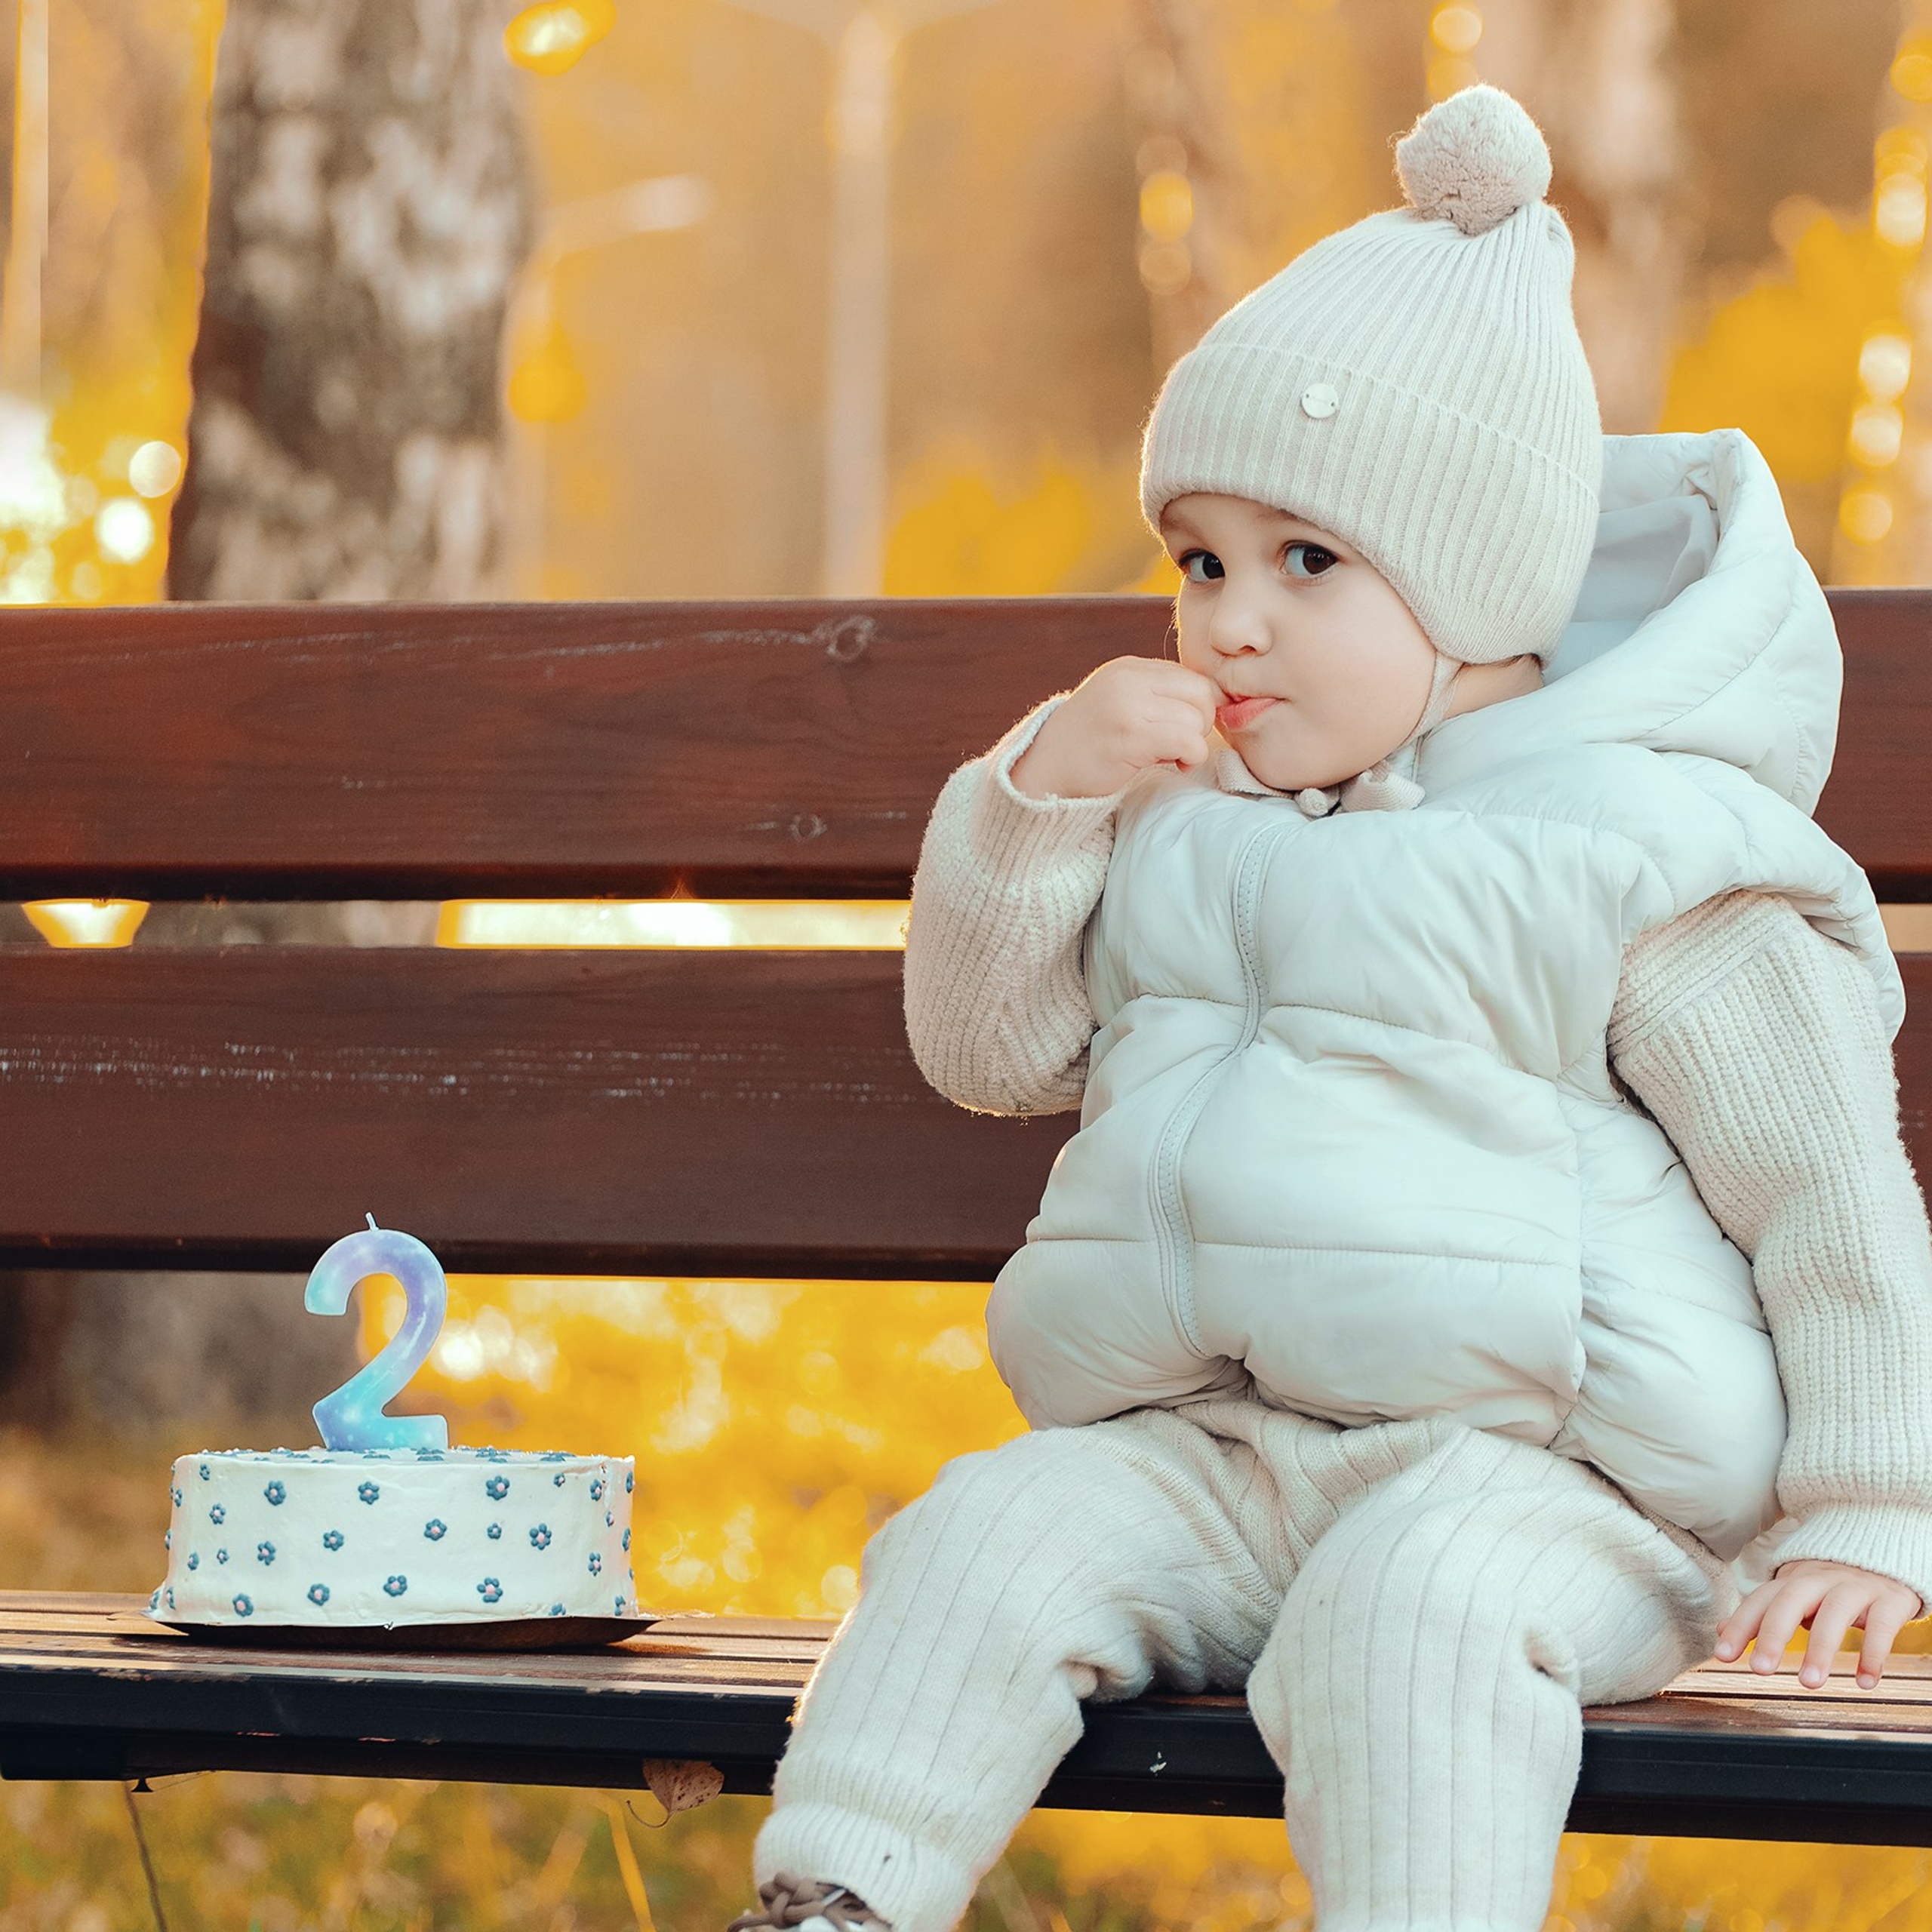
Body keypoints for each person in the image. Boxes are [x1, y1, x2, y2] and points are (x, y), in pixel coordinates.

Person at [728, 84, 1932, 1932]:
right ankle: (837, 1901)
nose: (1225, 622)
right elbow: (986, 1056)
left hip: (1555, 1486)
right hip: (1218, 1452)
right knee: (978, 1535)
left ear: (1476, 596)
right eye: (1198, 559)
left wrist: (1867, 1504)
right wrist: (1038, 804)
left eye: (1306, 564)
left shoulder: (1638, 849)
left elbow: (1826, 1194)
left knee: (1414, 1614)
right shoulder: (1172, 825)